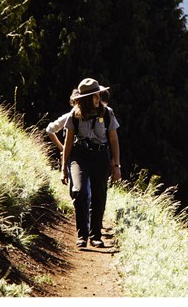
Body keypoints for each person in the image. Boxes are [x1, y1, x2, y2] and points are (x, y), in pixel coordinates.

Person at [59, 78, 121, 248]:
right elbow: (68, 143)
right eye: (94, 96)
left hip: (101, 156)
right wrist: (63, 167)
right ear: (86, 99)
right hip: (79, 156)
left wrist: (116, 166)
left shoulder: (107, 113)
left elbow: (114, 140)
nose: (97, 98)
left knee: (99, 194)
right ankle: (82, 236)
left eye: (97, 95)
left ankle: (96, 236)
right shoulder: (74, 116)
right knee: (79, 192)